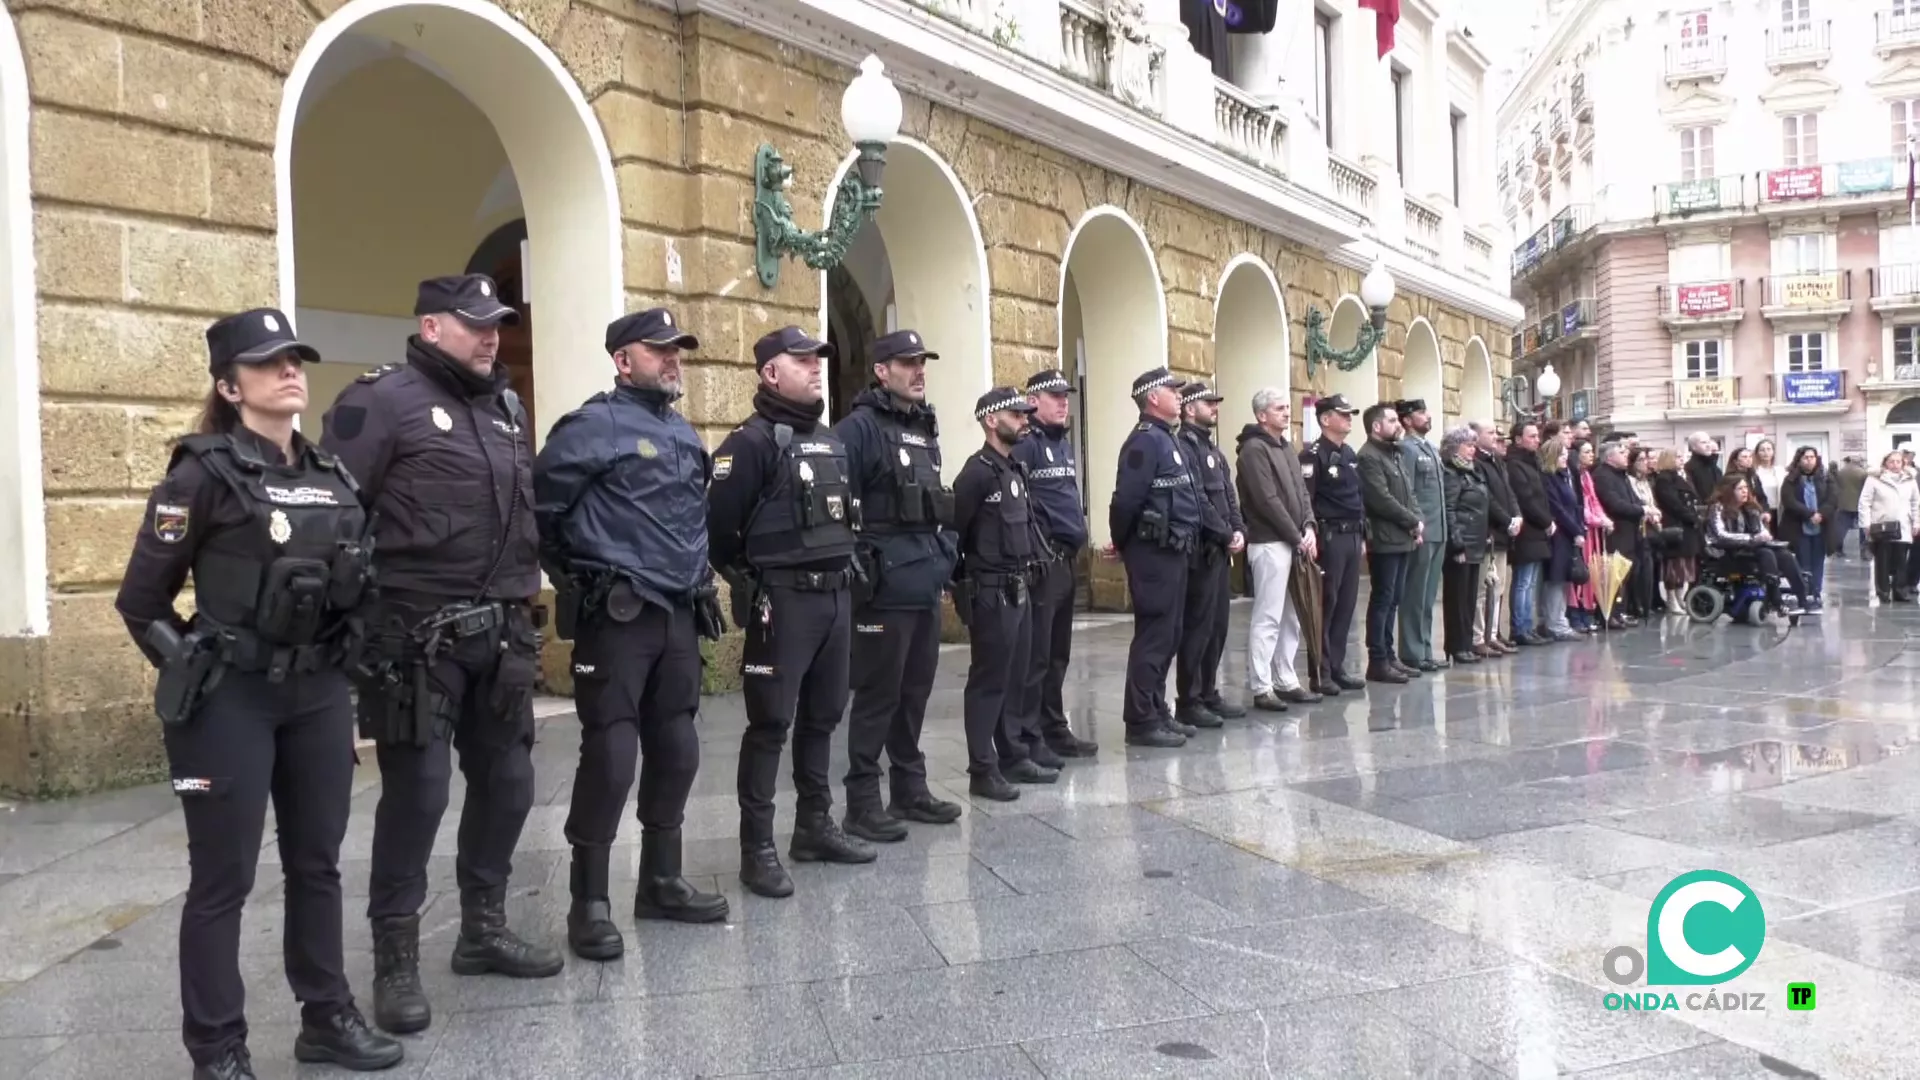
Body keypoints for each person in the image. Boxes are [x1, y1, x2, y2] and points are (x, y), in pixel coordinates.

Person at [116, 310, 403, 1080]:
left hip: (315, 697)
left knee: (318, 864)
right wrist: (192, 670)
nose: (290, 372)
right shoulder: (199, 475)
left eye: (295, 359)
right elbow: (140, 603)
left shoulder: (330, 477)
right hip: (228, 703)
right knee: (223, 880)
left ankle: (327, 1017)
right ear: (228, 384)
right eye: (269, 362)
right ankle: (217, 1050)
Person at [321, 274, 560, 1035]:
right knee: (418, 795)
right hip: (415, 639)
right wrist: (356, 628)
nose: (491, 336)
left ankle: (482, 930)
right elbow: (335, 520)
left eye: (496, 325)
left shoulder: (506, 406)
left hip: (502, 634)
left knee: (511, 784)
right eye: (474, 324)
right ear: (431, 327)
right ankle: (395, 959)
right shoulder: (378, 401)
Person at [534, 308, 728, 957]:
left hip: (677, 615)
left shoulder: (680, 432)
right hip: (618, 618)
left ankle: (661, 881)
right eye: (659, 350)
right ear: (623, 360)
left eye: (677, 351)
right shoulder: (589, 427)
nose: (673, 360)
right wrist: (583, 581)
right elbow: (544, 516)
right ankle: (589, 902)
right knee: (612, 758)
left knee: (677, 750)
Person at [707, 326, 876, 895]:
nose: (815, 367)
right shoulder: (751, 444)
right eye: (801, 360)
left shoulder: (831, 441)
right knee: (770, 724)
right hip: (783, 602)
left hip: (834, 598)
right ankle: (757, 848)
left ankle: (814, 825)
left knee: (824, 716)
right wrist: (753, 581)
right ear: (770, 373)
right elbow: (718, 532)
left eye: (818, 359)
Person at [835, 329, 965, 833]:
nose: (919, 371)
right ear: (881, 371)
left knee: (914, 692)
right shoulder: (858, 430)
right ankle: (863, 802)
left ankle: (910, 788)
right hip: (884, 591)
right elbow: (837, 507)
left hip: (924, 585)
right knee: (877, 695)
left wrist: (946, 556)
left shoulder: (924, 429)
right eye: (907, 363)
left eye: (922, 363)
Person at [955, 386, 1060, 798]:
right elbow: (956, 533)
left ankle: (1013, 754)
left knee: (1018, 676)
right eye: (1016, 415)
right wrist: (958, 585)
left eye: (1024, 414)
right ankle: (983, 767)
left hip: (1020, 586)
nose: (1024, 421)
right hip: (990, 590)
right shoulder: (977, 472)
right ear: (991, 420)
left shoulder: (1014, 469)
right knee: (989, 681)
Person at [1109, 367, 1202, 746]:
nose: (1179, 395)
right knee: (1154, 635)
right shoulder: (1145, 441)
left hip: (1174, 550)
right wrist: (1123, 543)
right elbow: (1126, 501)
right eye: (1172, 390)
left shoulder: (1168, 439)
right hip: (1152, 552)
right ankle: (1141, 720)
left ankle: (1156, 708)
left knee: (1170, 634)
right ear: (1152, 397)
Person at [1009, 370, 1099, 758]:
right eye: (1055, 396)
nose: (1064, 402)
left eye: (1066, 396)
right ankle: (1030, 735)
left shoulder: (1061, 445)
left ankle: (1053, 726)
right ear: (1034, 400)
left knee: (1058, 652)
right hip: (1043, 563)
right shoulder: (1026, 445)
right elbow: (1019, 504)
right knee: (1038, 655)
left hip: (1066, 561)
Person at [1236, 387, 1319, 710]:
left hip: (1294, 540)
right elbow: (1266, 500)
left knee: (1292, 616)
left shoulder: (1285, 446)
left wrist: (1309, 526)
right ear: (1261, 415)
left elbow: (1301, 491)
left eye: (1287, 407)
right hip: (1270, 542)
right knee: (1268, 616)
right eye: (1280, 408)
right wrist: (1295, 535)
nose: (1287, 412)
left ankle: (1286, 678)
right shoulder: (1254, 450)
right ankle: (1261, 685)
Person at [1174, 380, 1247, 727]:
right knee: (1198, 627)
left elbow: (1229, 496)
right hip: (1202, 550)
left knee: (1217, 626)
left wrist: (1238, 530)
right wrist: (1223, 530)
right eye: (1208, 403)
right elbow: (1197, 498)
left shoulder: (1213, 451)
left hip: (1221, 549)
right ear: (1189, 408)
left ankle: (1209, 692)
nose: (1215, 407)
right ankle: (1189, 698)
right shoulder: (1185, 446)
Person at [1300, 395, 1366, 693]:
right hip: (1330, 537)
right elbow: (1307, 499)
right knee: (1326, 605)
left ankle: (1337, 666)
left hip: (1351, 535)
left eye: (1350, 414)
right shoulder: (1313, 455)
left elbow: (1358, 498)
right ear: (1326, 419)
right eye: (1343, 414)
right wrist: (1310, 531)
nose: (1349, 418)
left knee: (1346, 606)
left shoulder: (1349, 452)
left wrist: (1363, 535)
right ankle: (1321, 671)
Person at [1356, 403, 1423, 683]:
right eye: (1393, 420)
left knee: (1394, 598)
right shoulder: (1369, 457)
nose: (1399, 425)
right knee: (1383, 598)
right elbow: (1380, 500)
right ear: (1376, 427)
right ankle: (1377, 659)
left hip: (1403, 537)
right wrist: (1412, 521)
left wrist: (1417, 520)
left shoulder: (1394, 454)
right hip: (1385, 539)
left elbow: (1409, 493)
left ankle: (1390, 654)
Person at [1395, 399, 1448, 673]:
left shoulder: (1430, 448)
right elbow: (1408, 491)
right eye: (1420, 413)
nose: (1428, 417)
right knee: (1415, 594)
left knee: (1428, 596)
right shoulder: (1406, 449)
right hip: (1422, 530)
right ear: (1406, 420)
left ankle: (1426, 648)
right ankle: (1412, 651)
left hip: (1439, 530)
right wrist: (1414, 524)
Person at [1705, 475, 1806, 615]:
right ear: (1729, 490)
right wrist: (1751, 538)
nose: (1744, 491)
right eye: (1740, 488)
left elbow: (1759, 530)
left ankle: (1803, 598)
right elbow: (1720, 536)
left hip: (1750, 549)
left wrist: (1765, 536)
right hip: (1727, 554)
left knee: (1784, 555)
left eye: (1746, 488)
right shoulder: (1717, 508)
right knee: (1766, 554)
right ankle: (1776, 600)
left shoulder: (1750, 508)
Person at [1438, 426, 1491, 665]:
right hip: (1462, 542)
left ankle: (1466, 642)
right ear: (1454, 447)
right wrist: (1456, 544)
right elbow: (1449, 509)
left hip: (1476, 541)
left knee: (1470, 597)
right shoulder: (1451, 473)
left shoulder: (1472, 472)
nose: (1473, 450)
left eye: (1473, 445)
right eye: (1468, 445)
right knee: (1457, 598)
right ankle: (1456, 645)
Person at [1503, 420, 1554, 645]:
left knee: (1530, 581)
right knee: (1523, 581)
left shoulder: (1531, 462)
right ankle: (1520, 628)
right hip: (1527, 530)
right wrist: (1546, 521)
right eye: (1531, 436)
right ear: (1518, 439)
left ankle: (1527, 625)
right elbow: (1526, 499)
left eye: (1537, 436)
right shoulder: (1515, 465)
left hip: (1536, 530)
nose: (1537, 440)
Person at [1472, 422, 1519, 657]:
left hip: (1503, 533)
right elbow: (1487, 498)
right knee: (1483, 588)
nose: (1495, 436)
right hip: (1489, 532)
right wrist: (1506, 520)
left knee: (1498, 587)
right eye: (1490, 433)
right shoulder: (1478, 462)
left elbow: (1508, 492)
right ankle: (1478, 636)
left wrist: (1516, 516)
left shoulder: (1497, 461)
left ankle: (1492, 634)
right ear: (1476, 436)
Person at [1591, 440, 1646, 630]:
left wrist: (1645, 508)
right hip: (1616, 531)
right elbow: (1614, 503)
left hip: (1629, 530)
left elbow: (1633, 498)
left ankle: (1619, 611)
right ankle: (1608, 613)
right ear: (1610, 457)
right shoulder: (1603, 476)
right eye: (1622, 453)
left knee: (1624, 574)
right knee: (1613, 573)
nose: (1626, 456)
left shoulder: (1621, 475)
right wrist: (1642, 510)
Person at [1778, 446, 1839, 612]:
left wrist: (1821, 514)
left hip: (1821, 527)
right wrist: (1809, 514)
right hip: (1799, 527)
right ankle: (1805, 594)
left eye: (1812, 457)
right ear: (1799, 460)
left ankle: (1816, 592)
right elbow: (1789, 500)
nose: (1809, 460)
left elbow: (1833, 499)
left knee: (1818, 562)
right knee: (1803, 562)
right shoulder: (1791, 479)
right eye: (1805, 457)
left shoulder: (1826, 477)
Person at [1539, 436, 1585, 640]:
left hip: (1569, 534)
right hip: (1559, 535)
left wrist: (1578, 528)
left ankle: (1560, 619)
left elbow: (1575, 505)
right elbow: (1557, 508)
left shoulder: (1567, 476)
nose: (1565, 458)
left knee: (1564, 579)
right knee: (1555, 580)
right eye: (1561, 455)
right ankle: (1555, 622)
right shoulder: (1549, 478)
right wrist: (1576, 530)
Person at [1859, 450, 1919, 602]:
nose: (1895, 465)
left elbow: (1915, 503)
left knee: (1901, 561)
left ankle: (1900, 591)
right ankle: (1883, 592)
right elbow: (1864, 502)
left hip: (1903, 525)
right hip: (1881, 525)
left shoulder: (1910, 480)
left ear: (1903, 463)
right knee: (1883, 560)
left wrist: (1916, 522)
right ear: (1885, 463)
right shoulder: (1874, 479)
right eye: (1891, 461)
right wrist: (1865, 523)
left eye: (1898, 461)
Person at [1651, 448, 1703, 617]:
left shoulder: (1680, 476)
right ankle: (1672, 599)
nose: (1682, 460)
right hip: (1675, 524)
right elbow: (1672, 503)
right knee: (1674, 564)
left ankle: (1681, 598)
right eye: (1678, 456)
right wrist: (1690, 516)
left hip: (1687, 525)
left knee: (1685, 564)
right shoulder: (1664, 479)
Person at [1837, 453, 1870, 559]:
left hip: (1843, 503)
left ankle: (1838, 548)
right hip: (1859, 503)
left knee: (1842, 528)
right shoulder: (1863, 473)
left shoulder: (1841, 472)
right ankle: (1864, 551)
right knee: (1862, 527)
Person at [1752, 438, 1786, 512]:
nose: (1766, 452)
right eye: (1762, 450)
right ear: (1757, 453)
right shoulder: (1754, 472)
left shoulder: (1780, 471)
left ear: (1773, 452)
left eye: (1769, 449)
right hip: (1760, 510)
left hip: (1779, 511)